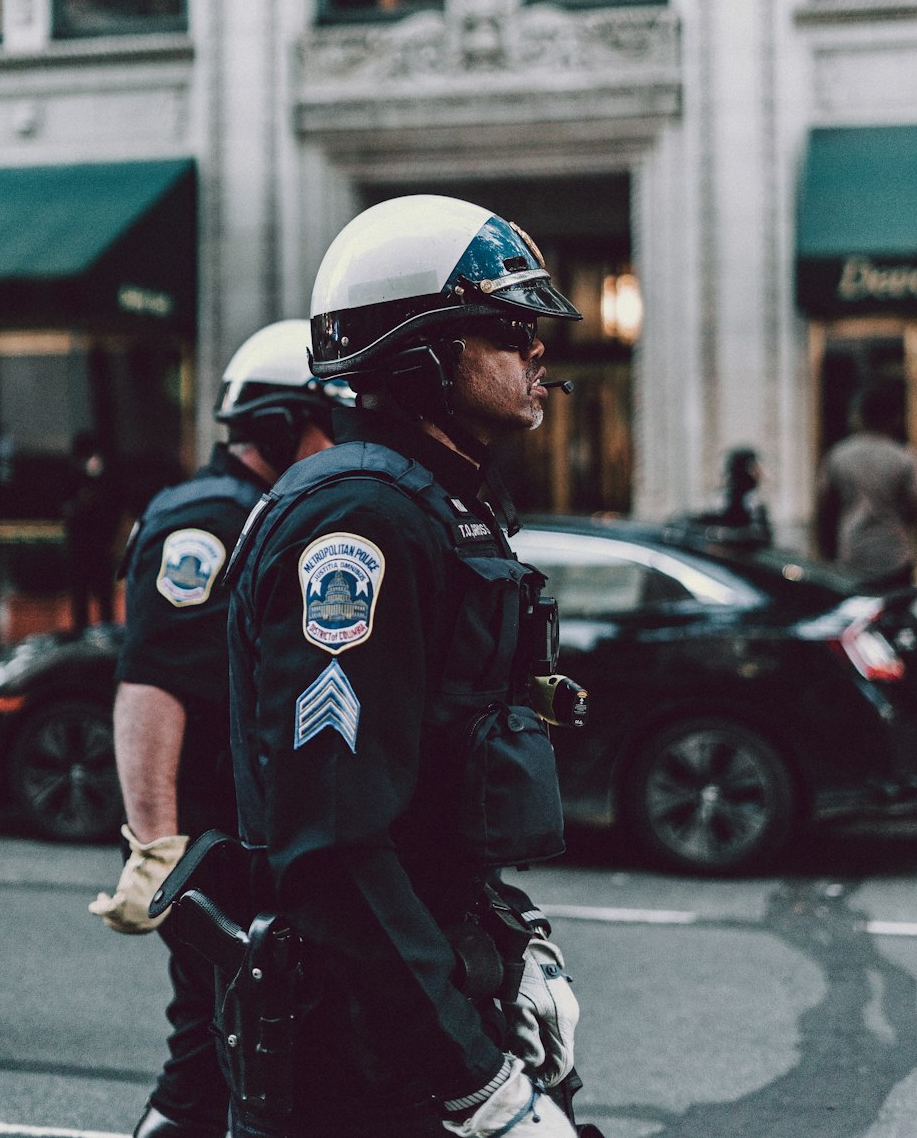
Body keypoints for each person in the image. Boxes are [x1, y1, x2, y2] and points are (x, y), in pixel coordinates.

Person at [226, 195, 587, 1138]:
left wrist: (519, 945)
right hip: (366, 1049)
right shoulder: (361, 521)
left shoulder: (445, 503)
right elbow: (336, 845)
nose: (537, 351)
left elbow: (434, 795)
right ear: (422, 353)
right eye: (511, 329)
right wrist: (475, 1087)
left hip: (430, 995)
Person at [89, 321, 346, 1138]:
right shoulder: (207, 521)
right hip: (210, 841)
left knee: (260, 1044)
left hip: (252, 833)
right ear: (277, 425)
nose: (336, 442)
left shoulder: (269, 511)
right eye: (324, 423)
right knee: (212, 1045)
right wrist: (157, 847)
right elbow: (153, 683)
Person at [815, 383, 917, 590]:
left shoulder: (838, 455)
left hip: (852, 550)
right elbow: (915, 507)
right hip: (894, 552)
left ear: (859, 415)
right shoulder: (903, 457)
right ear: (893, 418)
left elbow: (824, 507)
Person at [62, 431, 124, 629]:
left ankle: (105, 635)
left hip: (100, 547)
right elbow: (66, 510)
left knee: (104, 598)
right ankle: (83, 636)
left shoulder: (108, 481)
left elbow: (116, 511)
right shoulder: (73, 478)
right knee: (81, 600)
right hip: (82, 548)